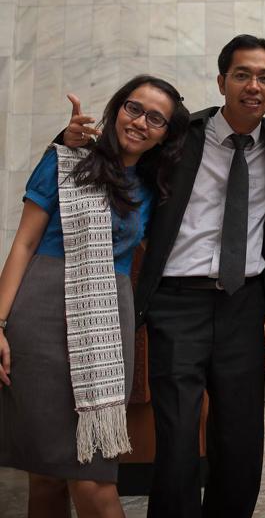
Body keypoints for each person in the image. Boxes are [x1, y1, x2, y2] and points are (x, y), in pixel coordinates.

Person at [61, 36, 265, 518]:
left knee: (239, 440)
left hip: (244, 302)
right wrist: (70, 140)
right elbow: (125, 151)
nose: (253, 85)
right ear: (221, 81)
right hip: (177, 301)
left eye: (264, 77)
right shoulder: (180, 135)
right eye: (242, 75)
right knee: (177, 438)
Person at [0, 75, 189, 518]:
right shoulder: (66, 159)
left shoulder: (154, 187)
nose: (140, 122)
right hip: (40, 316)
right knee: (45, 474)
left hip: (107, 323)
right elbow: (24, 243)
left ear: (166, 135)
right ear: (117, 108)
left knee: (92, 479)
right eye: (134, 108)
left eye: (156, 118)